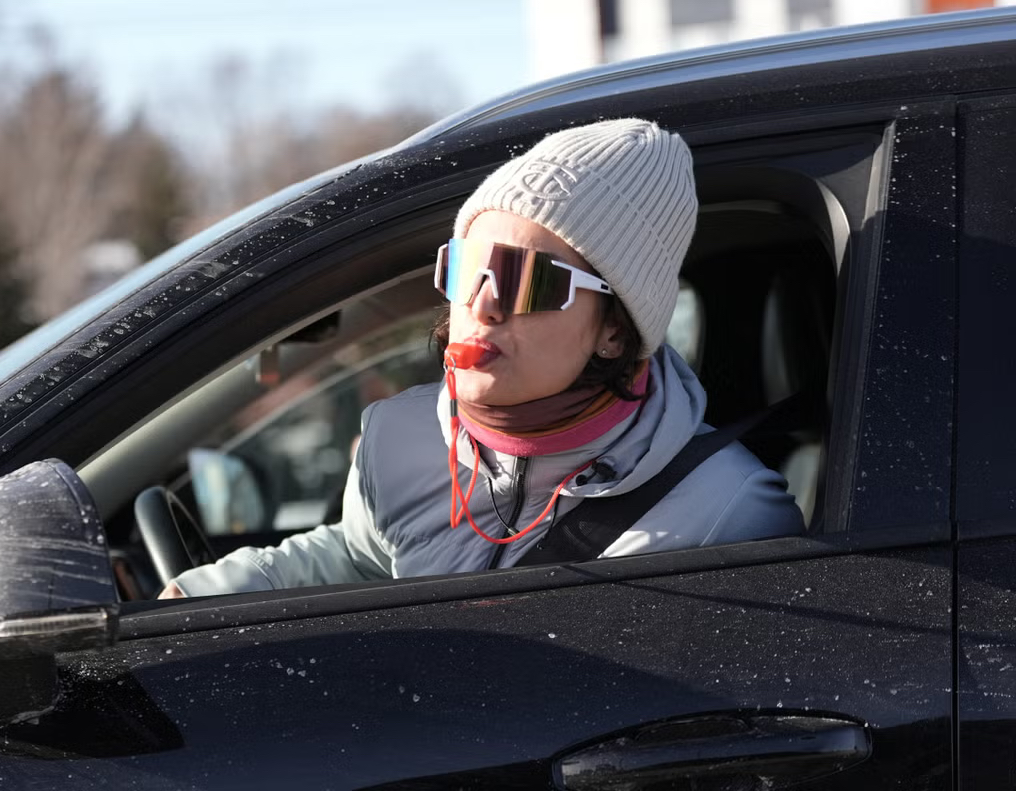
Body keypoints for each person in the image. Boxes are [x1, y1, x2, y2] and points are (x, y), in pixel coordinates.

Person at [162, 117, 804, 599]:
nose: (482, 304)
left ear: (614, 330)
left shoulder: (728, 511)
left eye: (530, 280)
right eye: (469, 266)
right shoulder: (398, 437)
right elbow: (360, 561)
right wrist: (200, 597)